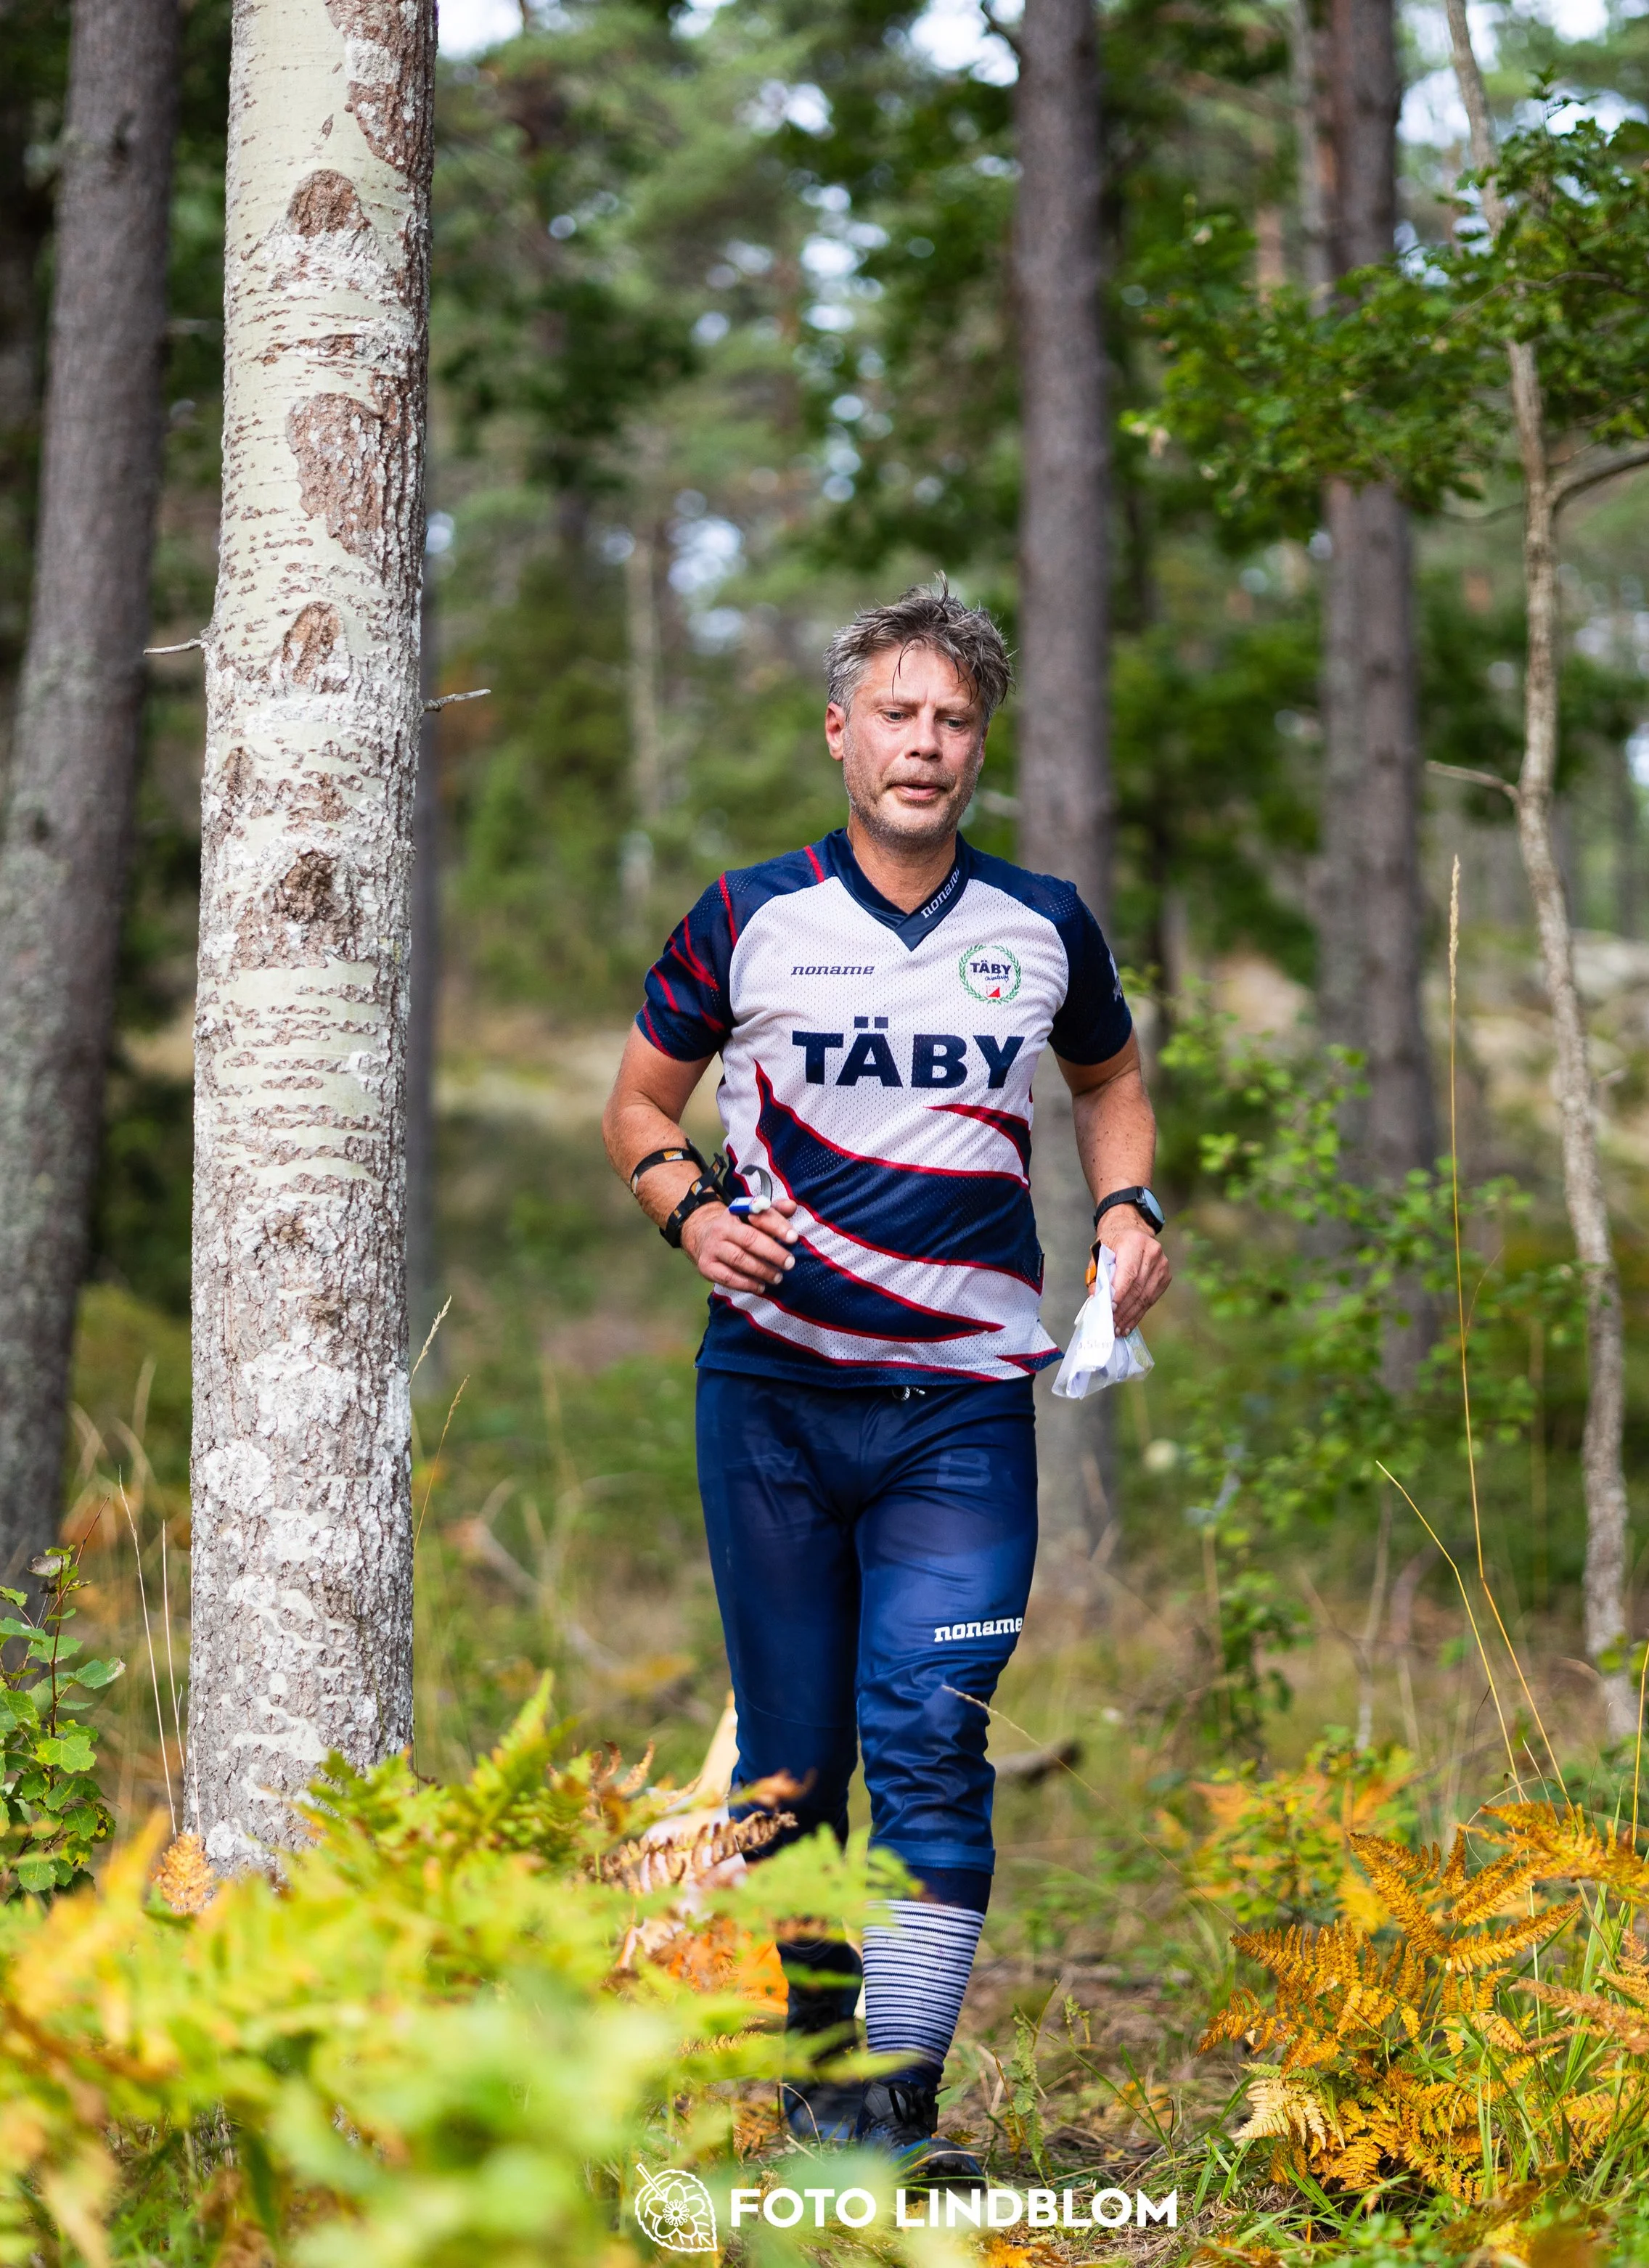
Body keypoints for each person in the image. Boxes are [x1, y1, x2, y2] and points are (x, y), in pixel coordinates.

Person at [601, 582, 1169, 2177]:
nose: (925, 744)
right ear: (840, 734)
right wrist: (688, 1211)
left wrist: (1127, 1205)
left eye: (954, 721)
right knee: (791, 1769)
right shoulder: (744, 916)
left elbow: (1110, 1075)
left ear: (980, 747)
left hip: (963, 1412)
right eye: (898, 715)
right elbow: (638, 1105)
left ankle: (894, 2108)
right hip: (770, 1402)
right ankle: (817, 2080)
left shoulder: (1041, 924)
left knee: (929, 1736)